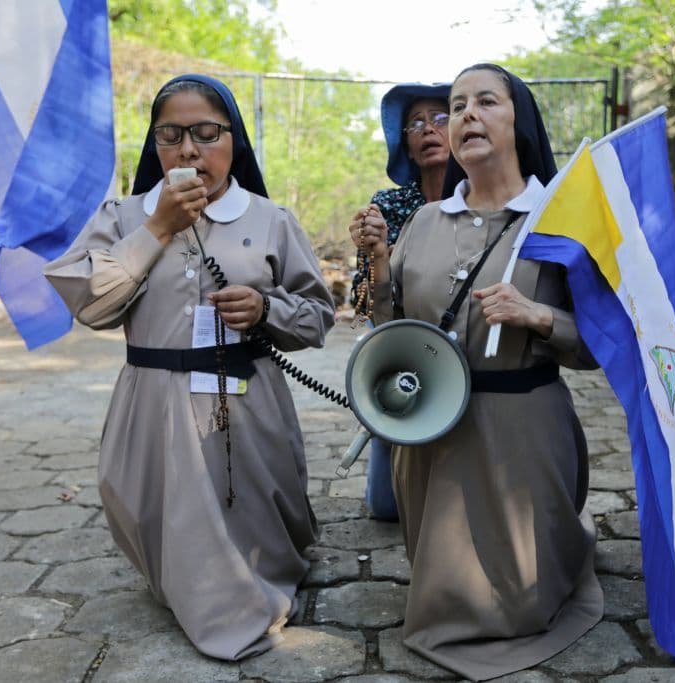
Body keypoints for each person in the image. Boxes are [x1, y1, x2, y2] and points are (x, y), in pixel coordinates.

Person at [44, 74, 335, 660]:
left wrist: (265, 308)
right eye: (171, 135)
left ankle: (245, 589)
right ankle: (192, 586)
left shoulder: (270, 218)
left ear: (234, 141)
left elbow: (317, 316)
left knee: (251, 512)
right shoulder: (125, 216)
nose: (188, 151)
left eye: (206, 133)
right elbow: (91, 304)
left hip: (245, 398)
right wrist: (157, 231)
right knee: (157, 508)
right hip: (151, 401)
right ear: (155, 145)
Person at [354, 63, 603, 681]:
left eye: (485, 101)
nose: (465, 114)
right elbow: (393, 325)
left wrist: (539, 315)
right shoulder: (424, 221)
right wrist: (380, 264)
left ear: (518, 121)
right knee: (442, 581)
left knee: (519, 600)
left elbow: (598, 347)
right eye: (457, 103)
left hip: (523, 427)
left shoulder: (560, 221)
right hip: (435, 433)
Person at [347, 82, 450, 520]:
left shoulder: (488, 202)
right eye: (416, 123)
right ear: (406, 144)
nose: (429, 129)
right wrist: (377, 256)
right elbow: (364, 301)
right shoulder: (387, 206)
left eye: (441, 118)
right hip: (401, 343)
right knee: (387, 508)